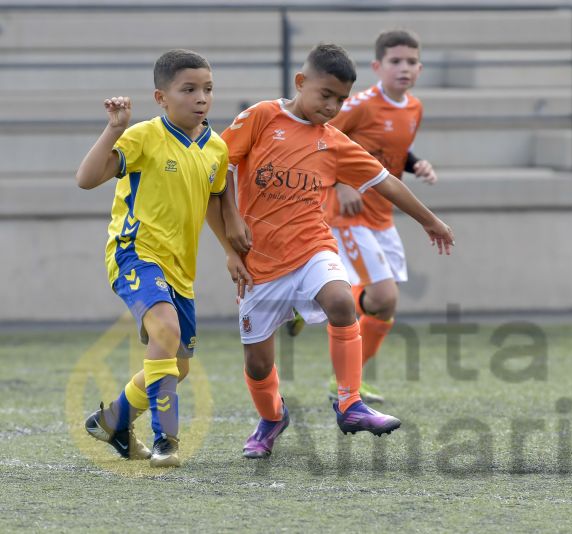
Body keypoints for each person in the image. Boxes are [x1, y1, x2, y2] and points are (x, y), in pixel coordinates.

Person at [220, 43, 454, 459]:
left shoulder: (334, 142)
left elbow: (386, 181)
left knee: (342, 301)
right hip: (260, 262)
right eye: (325, 95)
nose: (332, 106)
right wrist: (231, 237)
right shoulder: (261, 117)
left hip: (313, 246)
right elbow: (216, 170)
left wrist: (429, 220)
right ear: (300, 82)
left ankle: (350, 403)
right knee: (258, 363)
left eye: (341, 100)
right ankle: (272, 418)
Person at [76, 49, 250, 468]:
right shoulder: (143, 136)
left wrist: (230, 250)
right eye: (188, 89)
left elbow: (214, 200)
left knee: (179, 367)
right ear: (161, 97)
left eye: (207, 89)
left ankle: (113, 421)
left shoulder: (216, 148)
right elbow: (86, 179)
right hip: (135, 253)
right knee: (166, 331)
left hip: (180, 269)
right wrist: (114, 129)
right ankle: (166, 440)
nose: (200, 98)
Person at [286, 29, 435, 405]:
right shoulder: (359, 105)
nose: (404, 68)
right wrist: (340, 184)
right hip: (348, 215)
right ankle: (316, 307)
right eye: (395, 61)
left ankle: (347, 372)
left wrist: (416, 164)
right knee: (383, 294)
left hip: (382, 216)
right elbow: (320, 140)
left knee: (385, 305)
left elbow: (390, 151)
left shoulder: (414, 108)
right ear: (377, 66)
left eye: (411, 62)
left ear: (420, 68)